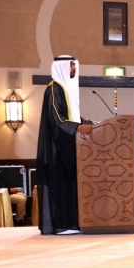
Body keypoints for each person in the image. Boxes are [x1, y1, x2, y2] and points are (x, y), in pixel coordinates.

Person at [36, 55, 92, 234]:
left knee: (73, 187)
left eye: (74, 66)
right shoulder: (54, 89)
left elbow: (73, 117)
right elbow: (57, 118)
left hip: (71, 147)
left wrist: (90, 123)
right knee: (62, 187)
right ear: (61, 67)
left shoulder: (66, 90)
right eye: (71, 67)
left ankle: (74, 223)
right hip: (58, 150)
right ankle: (62, 225)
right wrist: (78, 127)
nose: (74, 70)